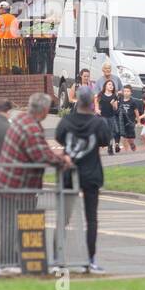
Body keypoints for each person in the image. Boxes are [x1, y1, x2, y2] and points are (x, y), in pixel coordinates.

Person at [0, 92, 70, 268]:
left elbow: (39, 150)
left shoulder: (21, 119)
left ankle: (12, 260)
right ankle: (14, 262)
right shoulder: (32, 127)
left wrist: (55, 155)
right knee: (16, 223)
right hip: (19, 185)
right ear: (43, 110)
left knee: (9, 223)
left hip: (8, 182)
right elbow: (40, 154)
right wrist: (62, 160)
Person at [53, 88, 109, 272]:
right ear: (92, 102)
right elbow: (104, 140)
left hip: (69, 172)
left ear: (76, 100)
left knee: (63, 217)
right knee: (91, 219)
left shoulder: (66, 121)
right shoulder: (98, 123)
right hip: (91, 173)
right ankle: (90, 259)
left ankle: (57, 258)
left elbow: (59, 138)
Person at [98, 79, 121, 154]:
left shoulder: (114, 96)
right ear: (105, 86)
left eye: (112, 85)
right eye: (109, 84)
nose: (111, 86)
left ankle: (110, 147)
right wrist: (97, 110)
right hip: (102, 117)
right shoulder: (101, 95)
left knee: (111, 133)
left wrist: (113, 104)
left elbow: (116, 108)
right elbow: (96, 103)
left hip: (111, 116)